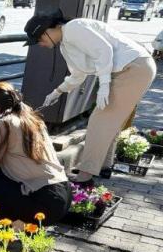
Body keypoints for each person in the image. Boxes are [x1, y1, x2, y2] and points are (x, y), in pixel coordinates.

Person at [25, 12, 156, 184]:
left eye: (39, 39)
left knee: (99, 120)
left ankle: (85, 175)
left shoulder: (74, 28)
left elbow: (104, 51)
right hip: (131, 68)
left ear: (49, 29)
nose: (40, 44)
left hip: (133, 68)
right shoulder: (65, 44)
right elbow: (78, 74)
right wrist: (57, 92)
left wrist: (104, 86)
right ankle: (104, 166)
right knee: (110, 120)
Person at [0, 82, 71, 226]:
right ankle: (16, 223)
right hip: (62, 195)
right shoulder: (30, 118)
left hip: (43, 202)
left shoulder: (2, 123)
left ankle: (12, 224)